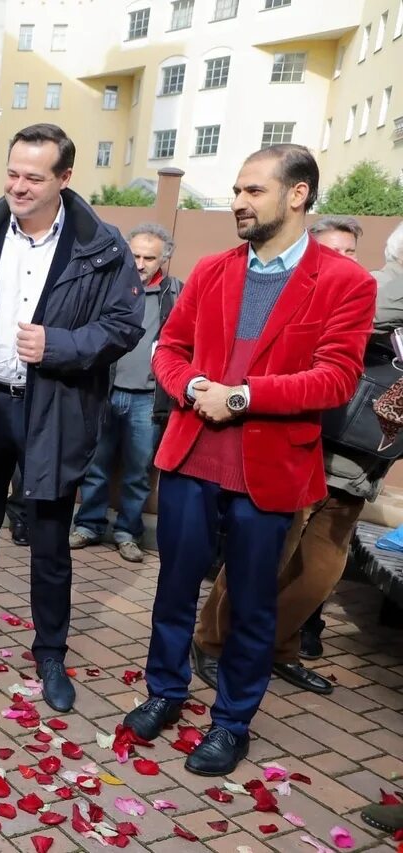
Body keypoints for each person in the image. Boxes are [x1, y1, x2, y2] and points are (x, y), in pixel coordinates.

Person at [124, 145, 376, 777]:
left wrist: (242, 396)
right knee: (175, 587)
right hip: (189, 457)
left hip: (270, 468)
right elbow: (170, 348)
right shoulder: (211, 271)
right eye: (237, 190)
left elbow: (336, 380)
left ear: (297, 195)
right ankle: (165, 693)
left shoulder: (347, 281)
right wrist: (189, 389)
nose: (238, 201)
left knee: (252, 604)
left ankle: (231, 723)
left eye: (254, 191)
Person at [0, 123, 144, 714]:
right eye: (12, 173)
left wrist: (61, 345)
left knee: (49, 544)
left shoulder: (102, 246)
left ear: (64, 179)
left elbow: (123, 326)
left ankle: (50, 654)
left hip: (55, 410)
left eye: (33, 177)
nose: (18, 187)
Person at [192, 218, 403, 696]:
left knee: (319, 571)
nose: (342, 262)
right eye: (331, 252)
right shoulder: (375, 288)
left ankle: (277, 647)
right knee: (263, 559)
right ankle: (211, 642)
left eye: (349, 251)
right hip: (313, 448)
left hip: (363, 459)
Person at [70, 224, 182, 563]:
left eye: (149, 257)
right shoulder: (109, 289)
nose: (141, 263)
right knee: (95, 466)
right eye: (135, 255)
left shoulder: (176, 295)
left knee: (137, 472)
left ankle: (128, 532)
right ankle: (88, 525)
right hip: (105, 391)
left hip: (147, 399)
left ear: (164, 258)